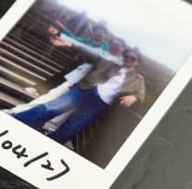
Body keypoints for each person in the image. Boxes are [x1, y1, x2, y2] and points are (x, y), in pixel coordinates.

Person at [13, 47, 145, 146]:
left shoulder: (138, 79)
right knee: (50, 108)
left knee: (73, 126)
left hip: (100, 103)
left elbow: (141, 95)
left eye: (132, 59)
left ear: (137, 62)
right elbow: (91, 54)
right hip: (87, 89)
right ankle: (18, 122)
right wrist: (68, 42)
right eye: (126, 56)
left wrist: (135, 97)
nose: (128, 59)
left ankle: (47, 146)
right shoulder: (109, 63)